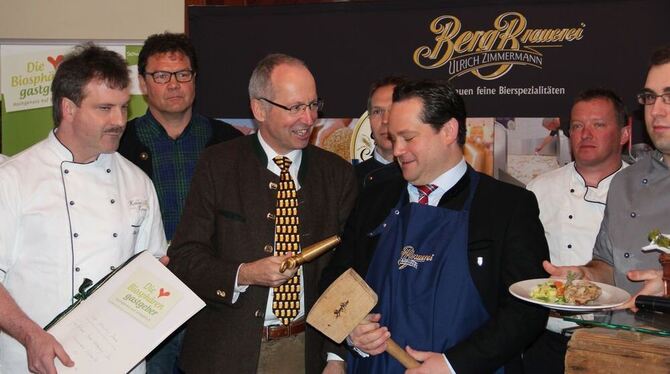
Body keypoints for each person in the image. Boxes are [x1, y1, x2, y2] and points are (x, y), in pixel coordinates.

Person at [320, 79, 549, 373]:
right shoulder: (375, 197)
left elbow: (527, 309)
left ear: (449, 131)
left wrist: (453, 364)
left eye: (408, 137)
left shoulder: (507, 206)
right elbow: (336, 276)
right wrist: (351, 329)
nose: (397, 149)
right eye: (393, 137)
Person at [167, 53, 357, 374]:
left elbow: (346, 274)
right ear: (260, 109)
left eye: (313, 105)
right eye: (295, 107)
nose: (309, 118)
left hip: (305, 352)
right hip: (224, 355)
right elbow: (184, 258)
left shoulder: (337, 175)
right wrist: (245, 274)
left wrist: (336, 356)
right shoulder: (218, 165)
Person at [0, 44, 167, 374]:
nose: (119, 120)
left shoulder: (137, 182)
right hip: (34, 361)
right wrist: (32, 336)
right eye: (104, 108)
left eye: (123, 107)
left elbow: (155, 265)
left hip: (119, 361)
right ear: (68, 108)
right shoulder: (14, 179)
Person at [117, 32, 241, 374]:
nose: (174, 84)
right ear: (143, 83)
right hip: (146, 299)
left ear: (195, 79)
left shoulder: (228, 143)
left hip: (212, 299)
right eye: (161, 76)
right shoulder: (120, 144)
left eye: (183, 74)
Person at [544, 46, 670, 305]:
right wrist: (586, 274)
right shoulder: (626, 181)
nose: (656, 110)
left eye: (669, 97)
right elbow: (609, 266)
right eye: (650, 97)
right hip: (615, 339)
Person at [523, 88, 630, 374]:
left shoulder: (640, 194)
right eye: (578, 126)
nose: (585, 134)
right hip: (546, 341)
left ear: (623, 134)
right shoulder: (538, 189)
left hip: (617, 344)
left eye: (598, 124)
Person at [355, 76, 405, 188]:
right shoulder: (350, 180)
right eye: (377, 112)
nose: (385, 120)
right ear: (369, 119)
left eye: (393, 110)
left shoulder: (430, 176)